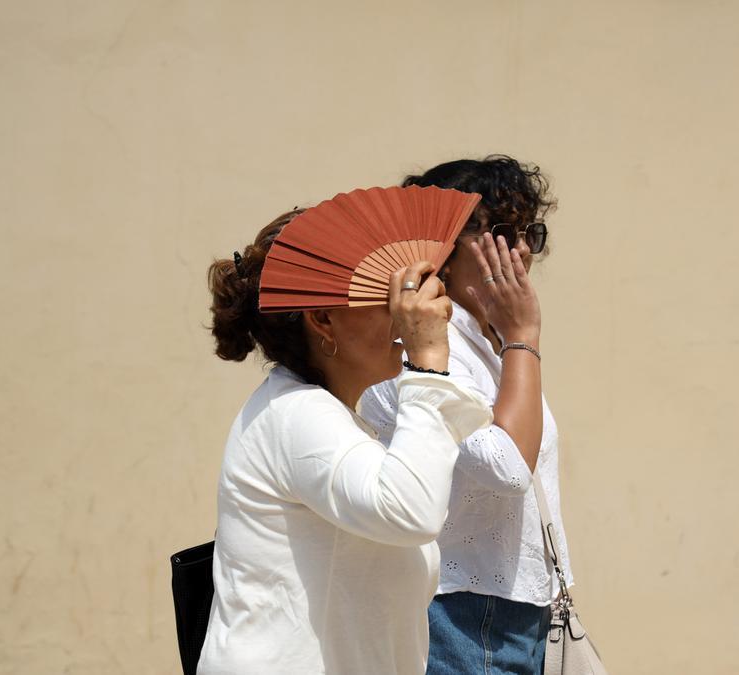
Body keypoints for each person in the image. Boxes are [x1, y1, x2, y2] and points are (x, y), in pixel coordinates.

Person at [197, 208, 493, 674]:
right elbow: (410, 511)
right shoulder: (297, 415)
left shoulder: (326, 417)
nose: (405, 312)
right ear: (322, 319)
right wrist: (428, 360)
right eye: (386, 296)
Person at [359, 155, 570, 674]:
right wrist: (524, 336)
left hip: (520, 610)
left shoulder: (485, 340)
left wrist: (512, 340)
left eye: (529, 233)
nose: (520, 250)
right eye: (501, 231)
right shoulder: (416, 345)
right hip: (459, 612)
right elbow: (507, 468)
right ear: (442, 249)